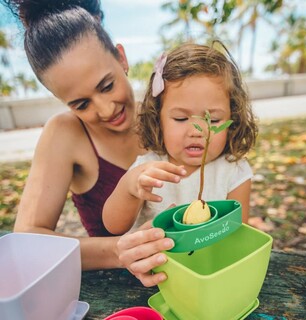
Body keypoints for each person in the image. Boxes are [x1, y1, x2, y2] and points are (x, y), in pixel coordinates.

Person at [2, 0, 174, 287]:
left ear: (121, 58)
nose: (106, 110)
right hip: (113, 291)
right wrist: (120, 251)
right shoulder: (65, 133)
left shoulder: (167, 113)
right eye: (81, 104)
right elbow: (27, 237)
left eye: (107, 86)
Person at [103, 42, 258, 235]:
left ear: (232, 119)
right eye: (181, 118)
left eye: (214, 120)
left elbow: (238, 233)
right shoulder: (148, 169)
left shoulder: (234, 171)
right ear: (158, 119)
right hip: (155, 264)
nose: (197, 131)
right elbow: (113, 226)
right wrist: (129, 188)